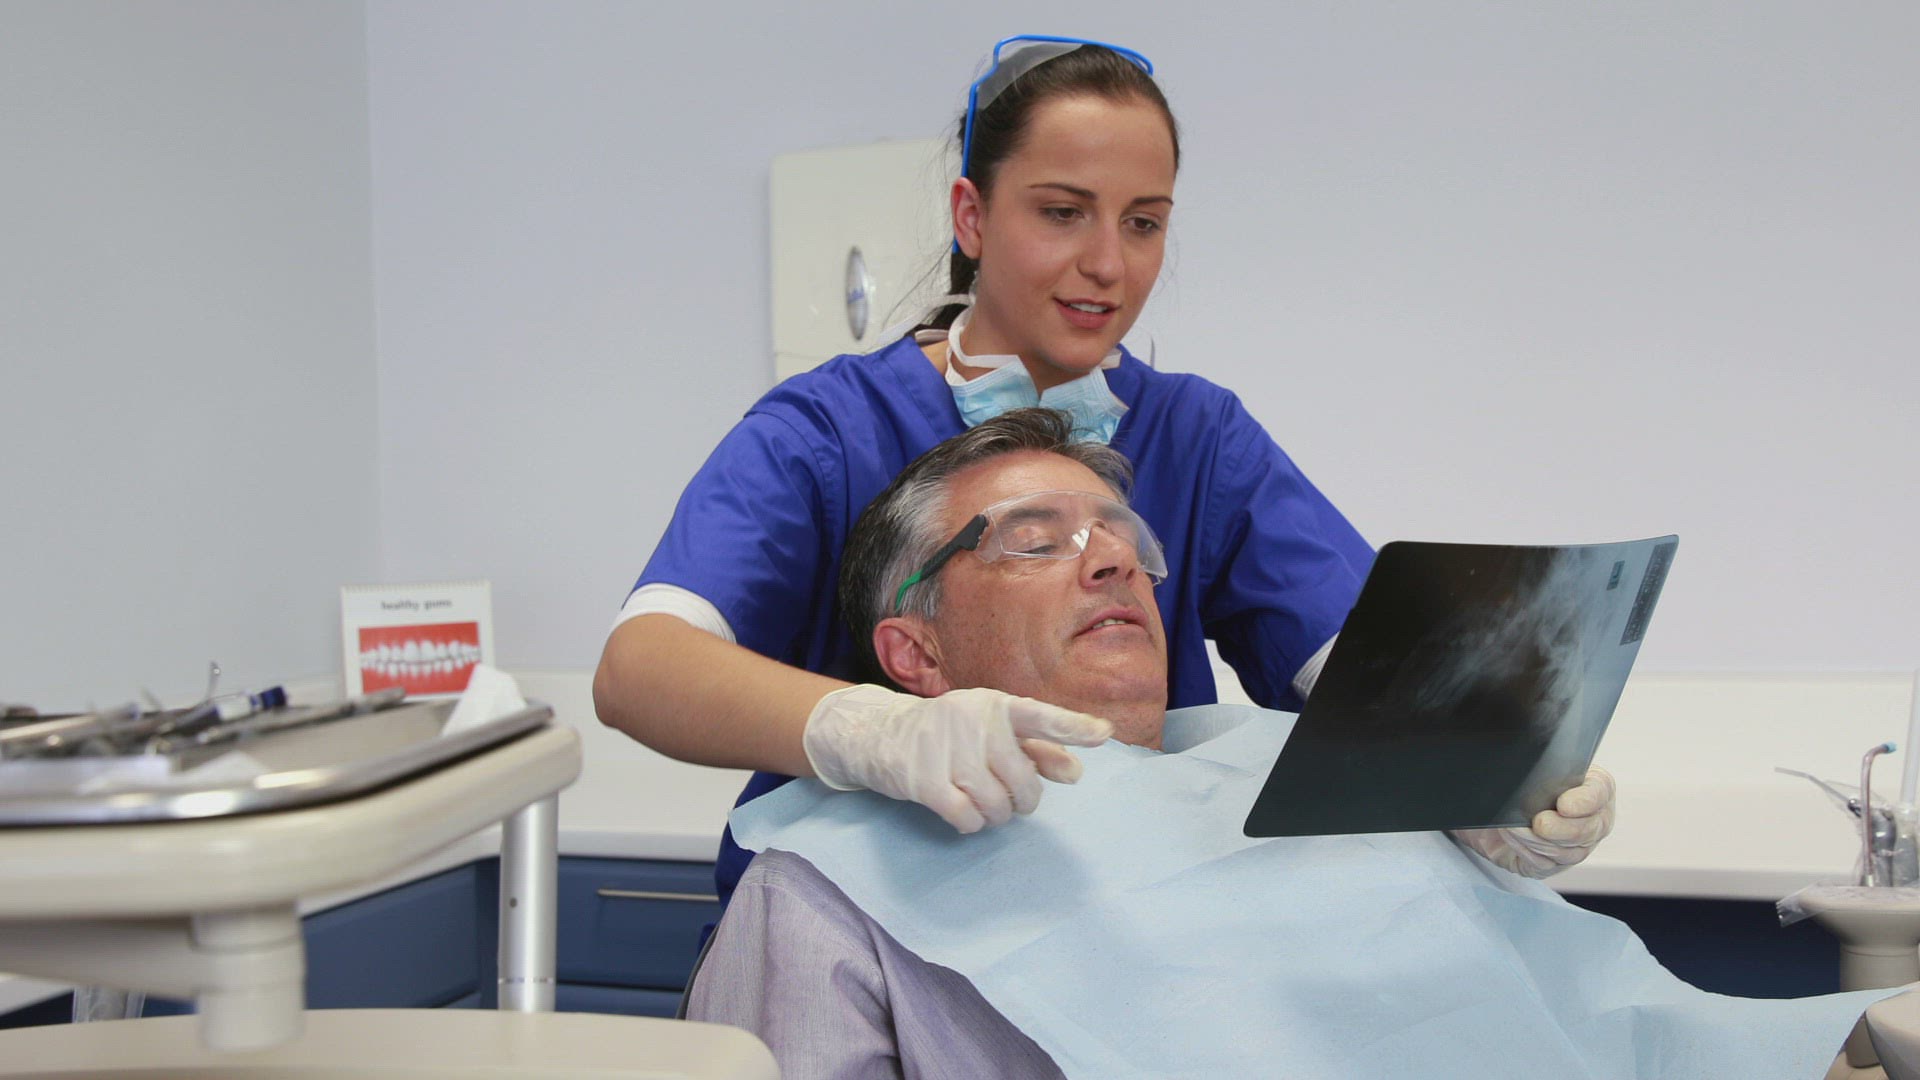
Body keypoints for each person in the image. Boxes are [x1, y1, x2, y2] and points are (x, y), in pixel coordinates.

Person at [592, 36, 1613, 906]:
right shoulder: (826, 433)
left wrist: (1490, 780)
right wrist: (873, 731)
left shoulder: (1199, 438)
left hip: (1118, 931)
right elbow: (640, 671)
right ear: (971, 217)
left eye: (1143, 221)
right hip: (871, 931)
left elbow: (1365, 673)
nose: (1109, 265)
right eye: (1062, 211)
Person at [686, 411, 1869, 1080]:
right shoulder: (825, 891)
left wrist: (1485, 784)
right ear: (915, 655)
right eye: (1036, 542)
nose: (1113, 561)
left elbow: (1593, 1021)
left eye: (1124, 539)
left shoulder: (1287, 764)